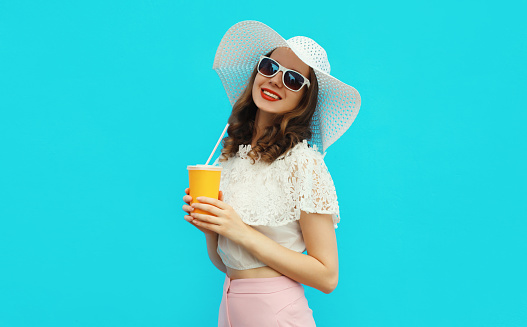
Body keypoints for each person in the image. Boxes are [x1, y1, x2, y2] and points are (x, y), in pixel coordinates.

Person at [182, 21, 361, 327]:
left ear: (304, 99)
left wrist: (240, 230)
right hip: (229, 307)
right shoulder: (230, 157)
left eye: (292, 79)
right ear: (256, 72)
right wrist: (212, 229)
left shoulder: (304, 164)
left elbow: (327, 276)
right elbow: (229, 264)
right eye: (269, 66)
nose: (276, 80)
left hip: (275, 314)